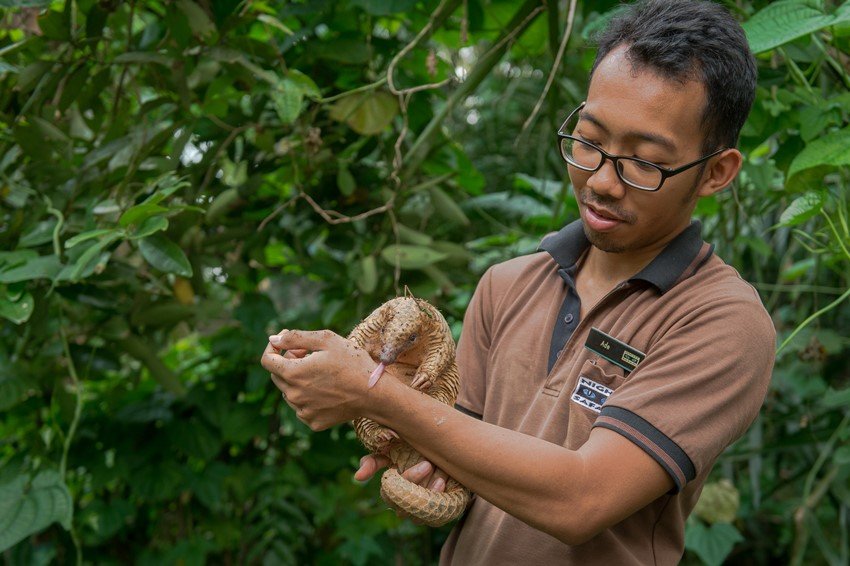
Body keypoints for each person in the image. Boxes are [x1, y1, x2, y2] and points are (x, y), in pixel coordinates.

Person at [261, 0, 776, 563]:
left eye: (646, 162)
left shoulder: (722, 321)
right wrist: (410, 439)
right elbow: (465, 461)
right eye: (588, 140)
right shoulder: (507, 284)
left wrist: (369, 391)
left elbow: (583, 499)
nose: (602, 181)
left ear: (717, 172)